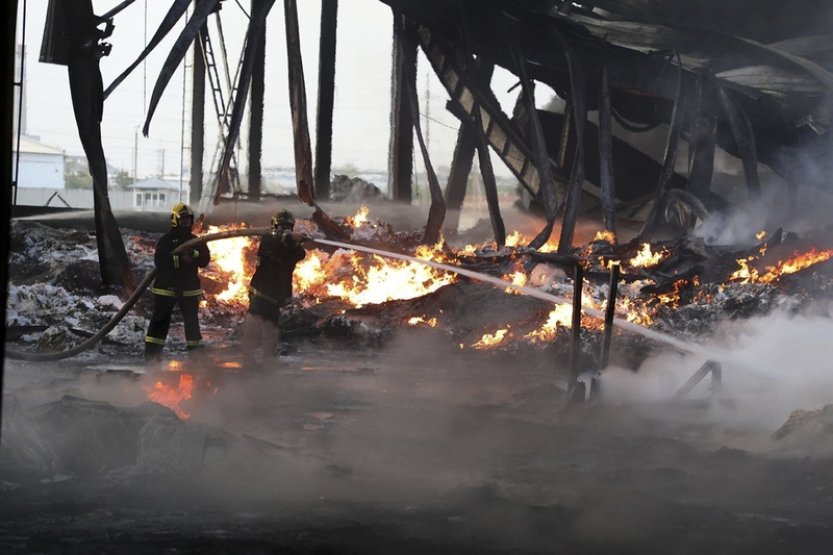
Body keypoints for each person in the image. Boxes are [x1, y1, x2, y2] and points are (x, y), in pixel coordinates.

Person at [144, 202, 211, 361]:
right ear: (175, 220)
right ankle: (152, 356)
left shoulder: (195, 240)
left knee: (192, 323)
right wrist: (180, 259)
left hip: (189, 289)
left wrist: (193, 254)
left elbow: (204, 260)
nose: (186, 223)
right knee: (160, 321)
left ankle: (197, 357)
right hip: (166, 288)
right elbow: (160, 262)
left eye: (188, 220)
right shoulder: (166, 240)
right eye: (183, 220)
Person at [242, 209, 308, 365]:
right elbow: (277, 248)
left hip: (276, 297)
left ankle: (269, 360)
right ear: (274, 226)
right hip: (260, 293)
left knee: (272, 330)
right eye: (281, 226)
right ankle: (249, 360)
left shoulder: (292, 248)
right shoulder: (267, 240)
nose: (284, 228)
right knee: (255, 327)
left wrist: (295, 241)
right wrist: (290, 240)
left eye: (288, 226)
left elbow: (300, 254)